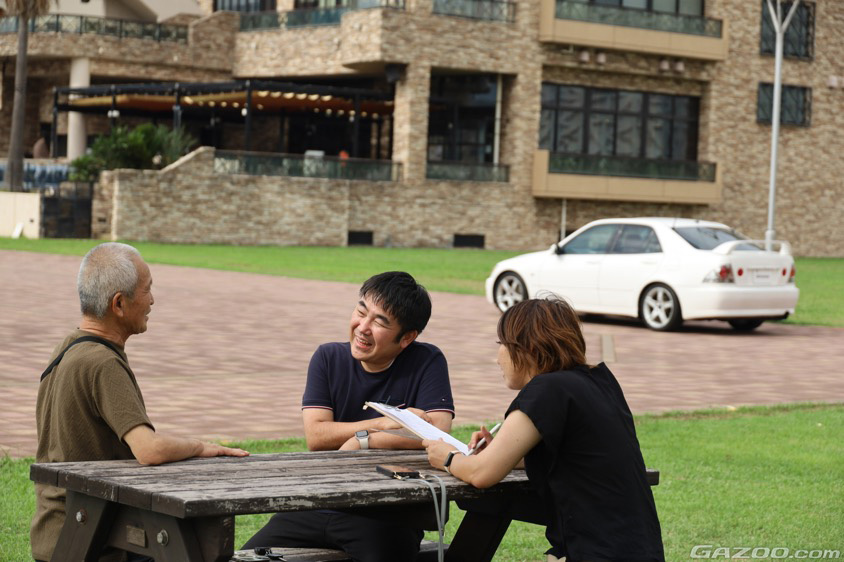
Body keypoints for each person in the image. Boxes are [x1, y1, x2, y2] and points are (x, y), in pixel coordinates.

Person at [31, 243, 248, 562]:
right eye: (147, 290)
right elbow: (149, 449)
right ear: (119, 303)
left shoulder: (68, 346)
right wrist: (200, 446)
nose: (152, 300)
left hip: (57, 532)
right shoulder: (102, 363)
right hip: (93, 539)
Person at [422, 298, 664, 562]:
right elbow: (577, 457)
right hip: (639, 548)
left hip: (596, 551)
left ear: (526, 348)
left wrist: (447, 457)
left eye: (501, 343)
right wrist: (503, 452)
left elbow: (481, 474)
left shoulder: (546, 390)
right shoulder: (598, 381)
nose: (497, 357)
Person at [243, 271, 455, 562]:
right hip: (318, 503)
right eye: (361, 312)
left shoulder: (427, 361)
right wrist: (381, 423)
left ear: (407, 337)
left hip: (387, 513)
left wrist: (364, 441)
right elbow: (317, 436)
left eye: (379, 322)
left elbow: (438, 433)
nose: (362, 327)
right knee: (245, 557)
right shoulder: (328, 358)